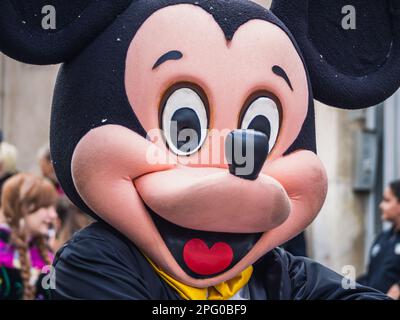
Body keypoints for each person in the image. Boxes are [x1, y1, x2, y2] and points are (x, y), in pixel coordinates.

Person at [0, 173, 58, 300]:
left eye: (53, 207)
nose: (53, 215)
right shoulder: (2, 251)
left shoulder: (46, 254)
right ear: (21, 207)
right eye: (46, 206)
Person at [358, 180, 400, 296]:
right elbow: (371, 277)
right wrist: (347, 285)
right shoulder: (382, 238)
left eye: (387, 200)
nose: (381, 205)